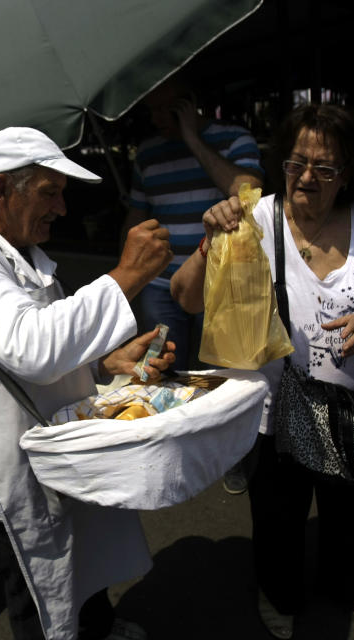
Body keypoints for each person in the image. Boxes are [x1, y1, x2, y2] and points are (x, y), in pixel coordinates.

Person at [170, 103, 354, 637]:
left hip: (351, 404)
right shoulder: (255, 219)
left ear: (347, 173)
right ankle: (278, 592)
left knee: (349, 511)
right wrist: (210, 238)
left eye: (325, 168)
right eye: (296, 163)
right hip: (276, 406)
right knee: (278, 515)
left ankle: (350, 583)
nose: (307, 177)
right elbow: (186, 299)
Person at [0, 126, 175, 640]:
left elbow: (45, 356)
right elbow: (29, 347)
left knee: (82, 558)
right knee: (37, 593)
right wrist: (126, 276)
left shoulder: (30, 257)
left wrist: (107, 363)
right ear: (2, 190)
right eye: (49, 192)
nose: (62, 208)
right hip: (9, 461)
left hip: (55, 443)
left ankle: (99, 627)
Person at [123, 74, 264, 496]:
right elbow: (135, 218)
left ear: (188, 104)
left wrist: (192, 139)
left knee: (221, 377)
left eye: (165, 109)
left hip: (220, 290)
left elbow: (251, 193)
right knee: (166, 372)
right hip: (160, 286)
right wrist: (126, 280)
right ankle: (177, 452)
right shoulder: (146, 154)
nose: (156, 119)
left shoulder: (234, 140)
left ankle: (232, 455)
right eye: (151, 111)